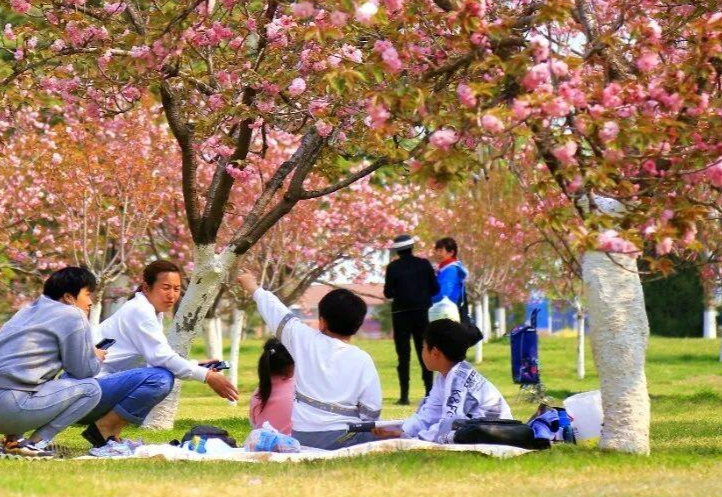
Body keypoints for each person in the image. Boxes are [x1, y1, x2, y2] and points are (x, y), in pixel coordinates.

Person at [86, 260, 238, 451]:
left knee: (160, 375)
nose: (172, 295)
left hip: (98, 383)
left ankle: (110, 434)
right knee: (160, 380)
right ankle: (104, 429)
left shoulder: (148, 311)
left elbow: (156, 358)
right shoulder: (140, 311)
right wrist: (207, 376)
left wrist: (196, 365)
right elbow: (161, 358)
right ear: (146, 288)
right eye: (166, 288)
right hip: (88, 387)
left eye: (176, 289)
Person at [238, 272, 382, 450]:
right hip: (345, 438)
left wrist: (253, 288)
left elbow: (275, 311)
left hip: (303, 437)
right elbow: (372, 409)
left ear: (322, 322)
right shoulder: (363, 359)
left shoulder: (304, 339)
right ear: (357, 326)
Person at [0, 267, 103, 458]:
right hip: (9, 408)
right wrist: (95, 356)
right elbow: (83, 372)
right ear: (69, 297)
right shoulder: (73, 314)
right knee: (92, 389)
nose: (90, 302)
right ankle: (34, 443)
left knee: (33, 381)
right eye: (88, 295)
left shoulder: (25, 311)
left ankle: (12, 440)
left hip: (8, 400)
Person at [376, 319, 512, 443]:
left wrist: (413, 440)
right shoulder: (444, 377)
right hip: (478, 432)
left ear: (435, 353)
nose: (422, 352)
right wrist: (402, 432)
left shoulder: (458, 380)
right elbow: (429, 414)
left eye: (423, 347)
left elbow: (449, 425)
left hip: (499, 434)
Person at [384, 234, 439, 405]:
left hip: (400, 314)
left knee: (403, 355)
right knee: (424, 352)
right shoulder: (424, 264)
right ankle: (429, 392)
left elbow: (388, 293)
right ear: (412, 247)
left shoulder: (393, 267)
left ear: (397, 251)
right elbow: (435, 288)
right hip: (422, 313)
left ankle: (404, 396)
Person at [249, 338, 295, 435]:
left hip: (262, 443)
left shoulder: (258, 393)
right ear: (290, 365)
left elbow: (254, 424)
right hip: (294, 443)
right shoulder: (298, 390)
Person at [432, 237, 470, 324]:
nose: (438, 254)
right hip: (443, 311)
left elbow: (444, 294)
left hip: (446, 313)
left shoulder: (451, 269)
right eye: (437, 251)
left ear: (451, 252)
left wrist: (427, 298)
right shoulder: (443, 269)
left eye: (441, 251)